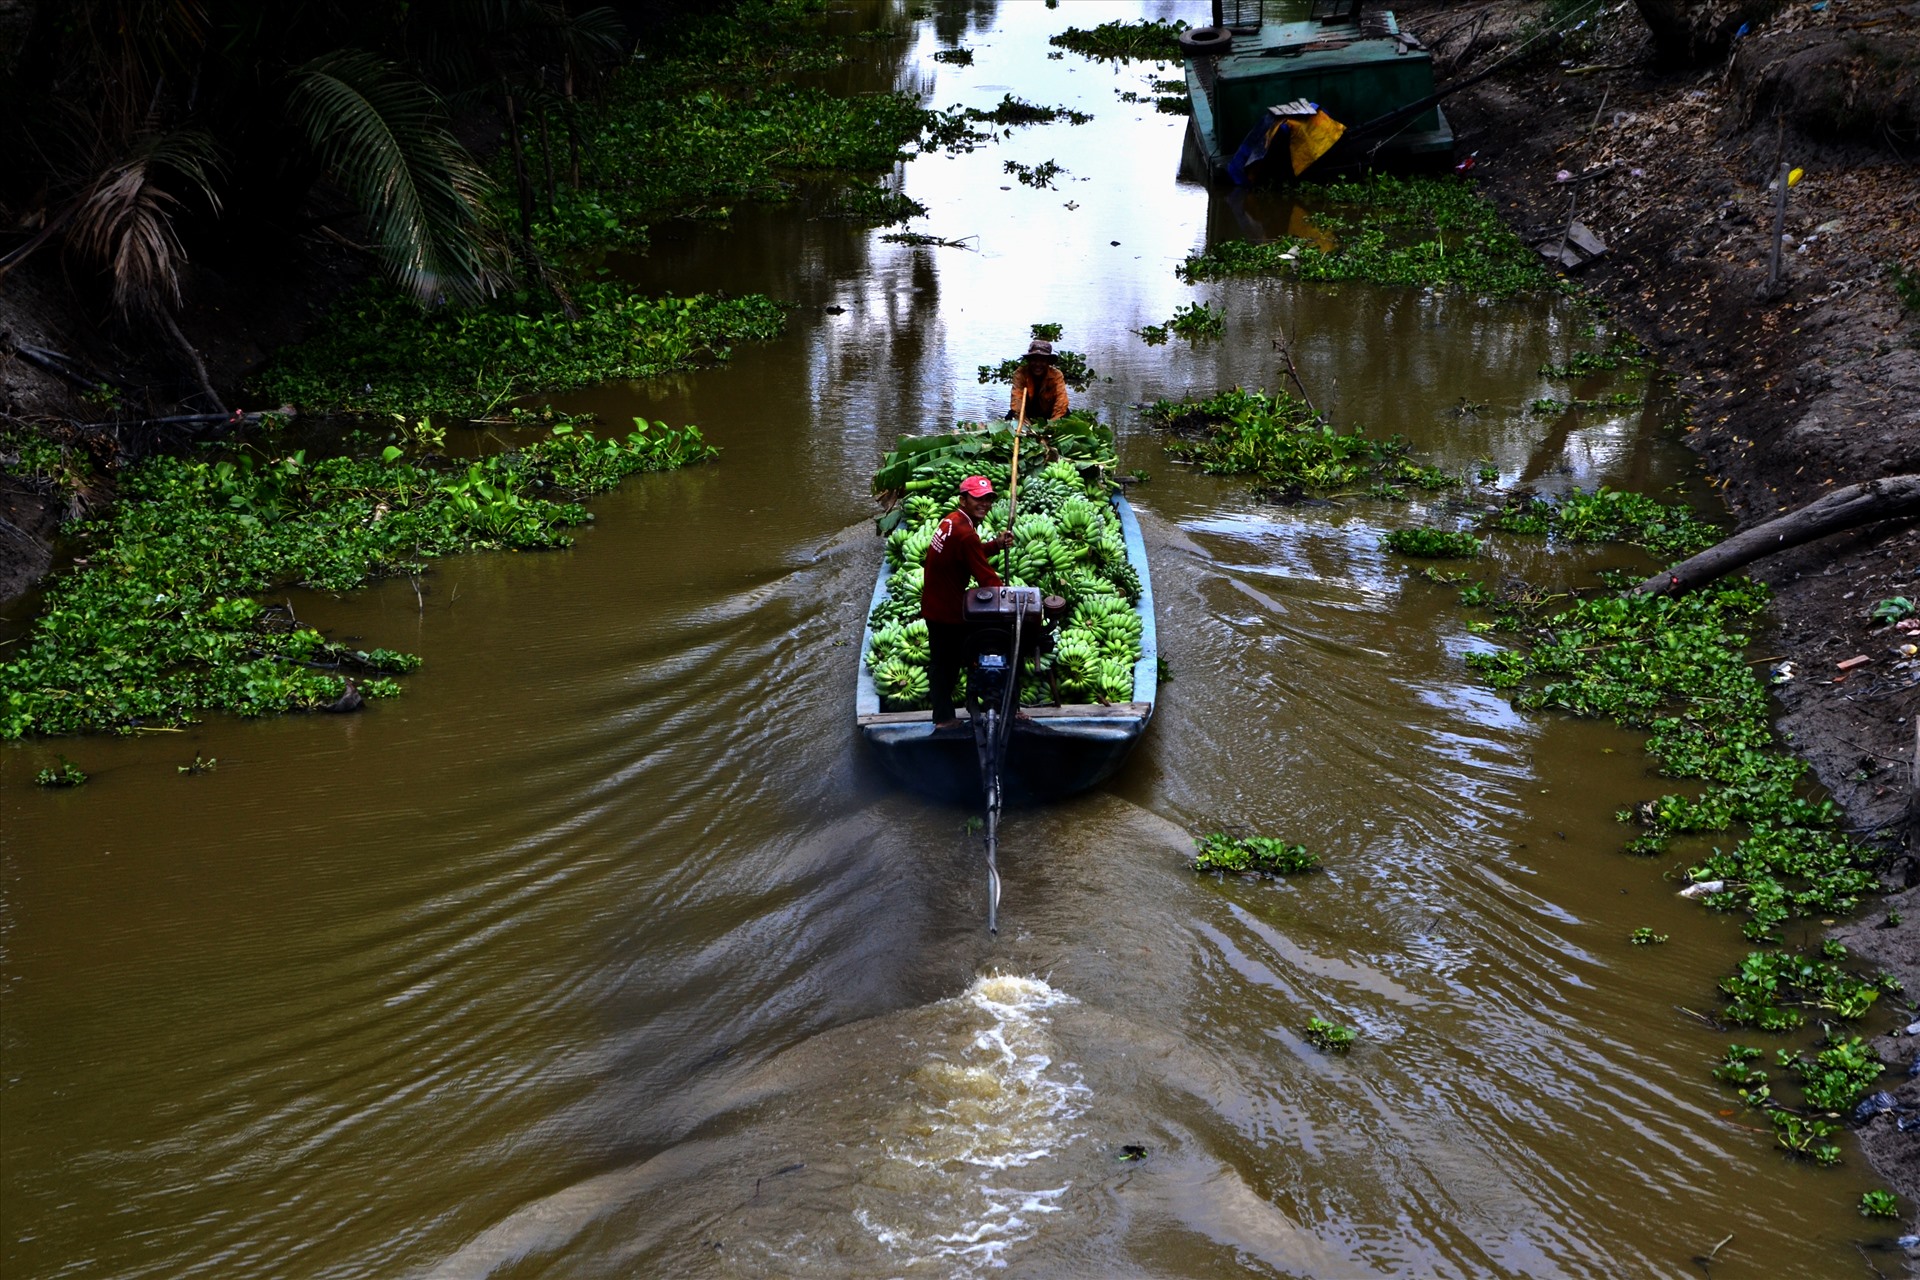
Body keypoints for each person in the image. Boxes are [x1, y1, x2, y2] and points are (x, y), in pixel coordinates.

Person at [921, 474, 1013, 728]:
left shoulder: (951, 521)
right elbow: (986, 578)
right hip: (947, 612)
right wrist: (1008, 599)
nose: (984, 504)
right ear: (963, 500)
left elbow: (966, 554)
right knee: (953, 663)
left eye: (988, 500)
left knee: (942, 664)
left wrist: (995, 545)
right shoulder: (965, 533)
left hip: (935, 603)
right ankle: (949, 717)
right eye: (978, 500)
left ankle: (945, 715)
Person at [1008, 339, 1069, 421]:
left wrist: (1053, 423)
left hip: (1048, 412)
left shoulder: (1056, 375)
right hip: (1027, 412)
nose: (1037, 364)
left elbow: (1061, 402)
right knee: (1011, 415)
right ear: (1029, 361)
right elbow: (1016, 400)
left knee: (1066, 415)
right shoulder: (1020, 373)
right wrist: (1022, 420)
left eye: (1042, 360)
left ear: (1048, 362)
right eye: (1034, 360)